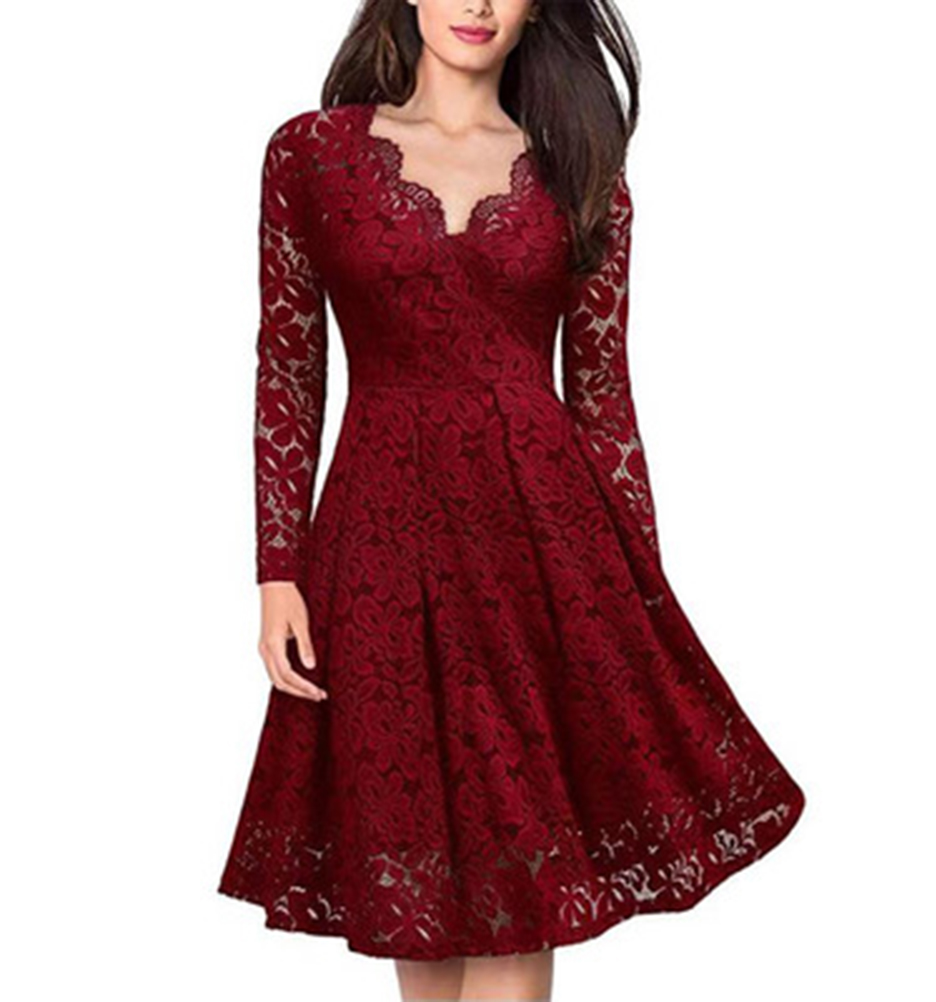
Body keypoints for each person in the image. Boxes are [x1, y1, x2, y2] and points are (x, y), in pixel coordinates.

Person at [217, 1, 807, 999]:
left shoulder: (580, 172)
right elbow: (288, 364)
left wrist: (637, 590)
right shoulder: (308, 156)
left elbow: (603, 399)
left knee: (520, 882)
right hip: (378, 548)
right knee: (415, 886)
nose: (479, 3)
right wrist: (278, 567)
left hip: (539, 547)